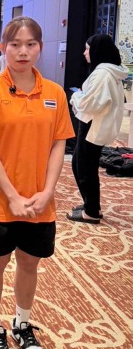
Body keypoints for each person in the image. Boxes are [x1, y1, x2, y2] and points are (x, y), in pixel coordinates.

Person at [0, 16, 74, 349]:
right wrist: (13, 196)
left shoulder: (55, 94)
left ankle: (22, 323)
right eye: (15, 44)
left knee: (30, 263)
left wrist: (47, 192)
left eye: (30, 44)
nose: (23, 51)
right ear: (3, 48)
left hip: (40, 202)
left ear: (40, 47)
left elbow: (59, 145)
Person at [67, 34, 128, 224]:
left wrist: (76, 96)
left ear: (97, 51)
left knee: (84, 166)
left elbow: (90, 104)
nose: (85, 53)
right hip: (96, 124)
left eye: (88, 49)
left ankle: (91, 211)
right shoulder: (110, 71)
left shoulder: (102, 73)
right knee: (83, 164)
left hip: (92, 124)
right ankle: (91, 205)